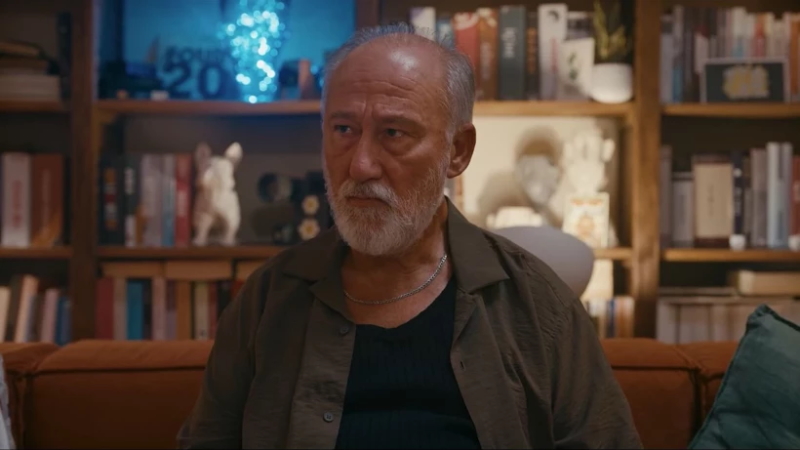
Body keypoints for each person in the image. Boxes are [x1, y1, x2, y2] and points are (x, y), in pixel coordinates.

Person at [178, 23, 642, 449]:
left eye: (394, 133)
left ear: (457, 151)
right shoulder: (268, 300)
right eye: (343, 129)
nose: (361, 165)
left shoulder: (538, 307)